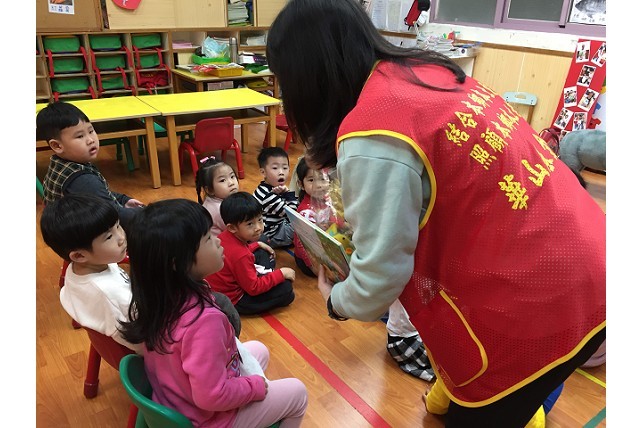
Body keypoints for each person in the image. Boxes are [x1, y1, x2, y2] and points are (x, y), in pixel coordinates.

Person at [266, 1, 606, 427]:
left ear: (306, 76)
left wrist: (337, 302)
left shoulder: (373, 130)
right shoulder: (426, 71)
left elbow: (379, 279)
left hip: (540, 295)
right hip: (593, 252)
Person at [119, 198, 308, 427]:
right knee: (297, 392)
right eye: (208, 238)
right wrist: (255, 387)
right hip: (208, 418)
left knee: (259, 350)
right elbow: (211, 396)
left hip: (176, 397)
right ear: (178, 262)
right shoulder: (203, 321)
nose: (218, 241)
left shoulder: (158, 298)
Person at [39, 193, 143, 354]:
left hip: (118, 325)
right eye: (109, 237)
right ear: (79, 256)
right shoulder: (111, 295)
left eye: (118, 226)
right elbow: (141, 343)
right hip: (145, 349)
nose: (122, 237)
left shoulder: (77, 270)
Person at [37, 101, 144, 232]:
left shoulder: (59, 164)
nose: (91, 140)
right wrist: (145, 215)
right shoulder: (81, 179)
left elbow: (98, 194)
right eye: (80, 136)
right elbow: (112, 214)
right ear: (57, 146)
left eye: (91, 131)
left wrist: (123, 200)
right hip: (86, 238)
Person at [206, 192, 296, 315]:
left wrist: (257, 245)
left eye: (260, 219)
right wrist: (281, 274)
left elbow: (237, 251)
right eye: (250, 224)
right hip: (236, 301)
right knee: (286, 289)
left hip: (224, 288)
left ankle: (264, 276)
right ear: (232, 228)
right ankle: (265, 277)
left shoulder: (225, 235)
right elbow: (253, 288)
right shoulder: (241, 255)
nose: (258, 227)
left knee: (262, 244)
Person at [196, 155, 274, 269]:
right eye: (222, 180)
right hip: (222, 254)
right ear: (209, 190)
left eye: (232, 176)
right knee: (262, 241)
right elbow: (240, 234)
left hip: (221, 247)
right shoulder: (219, 209)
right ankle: (260, 273)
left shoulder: (214, 201)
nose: (231, 183)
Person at [253, 147, 299, 248]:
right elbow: (293, 214)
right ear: (263, 172)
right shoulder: (267, 196)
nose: (281, 172)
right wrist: (287, 193)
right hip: (273, 235)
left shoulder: (266, 188)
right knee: (302, 223)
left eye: (285, 168)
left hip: (277, 226)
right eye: (275, 168)